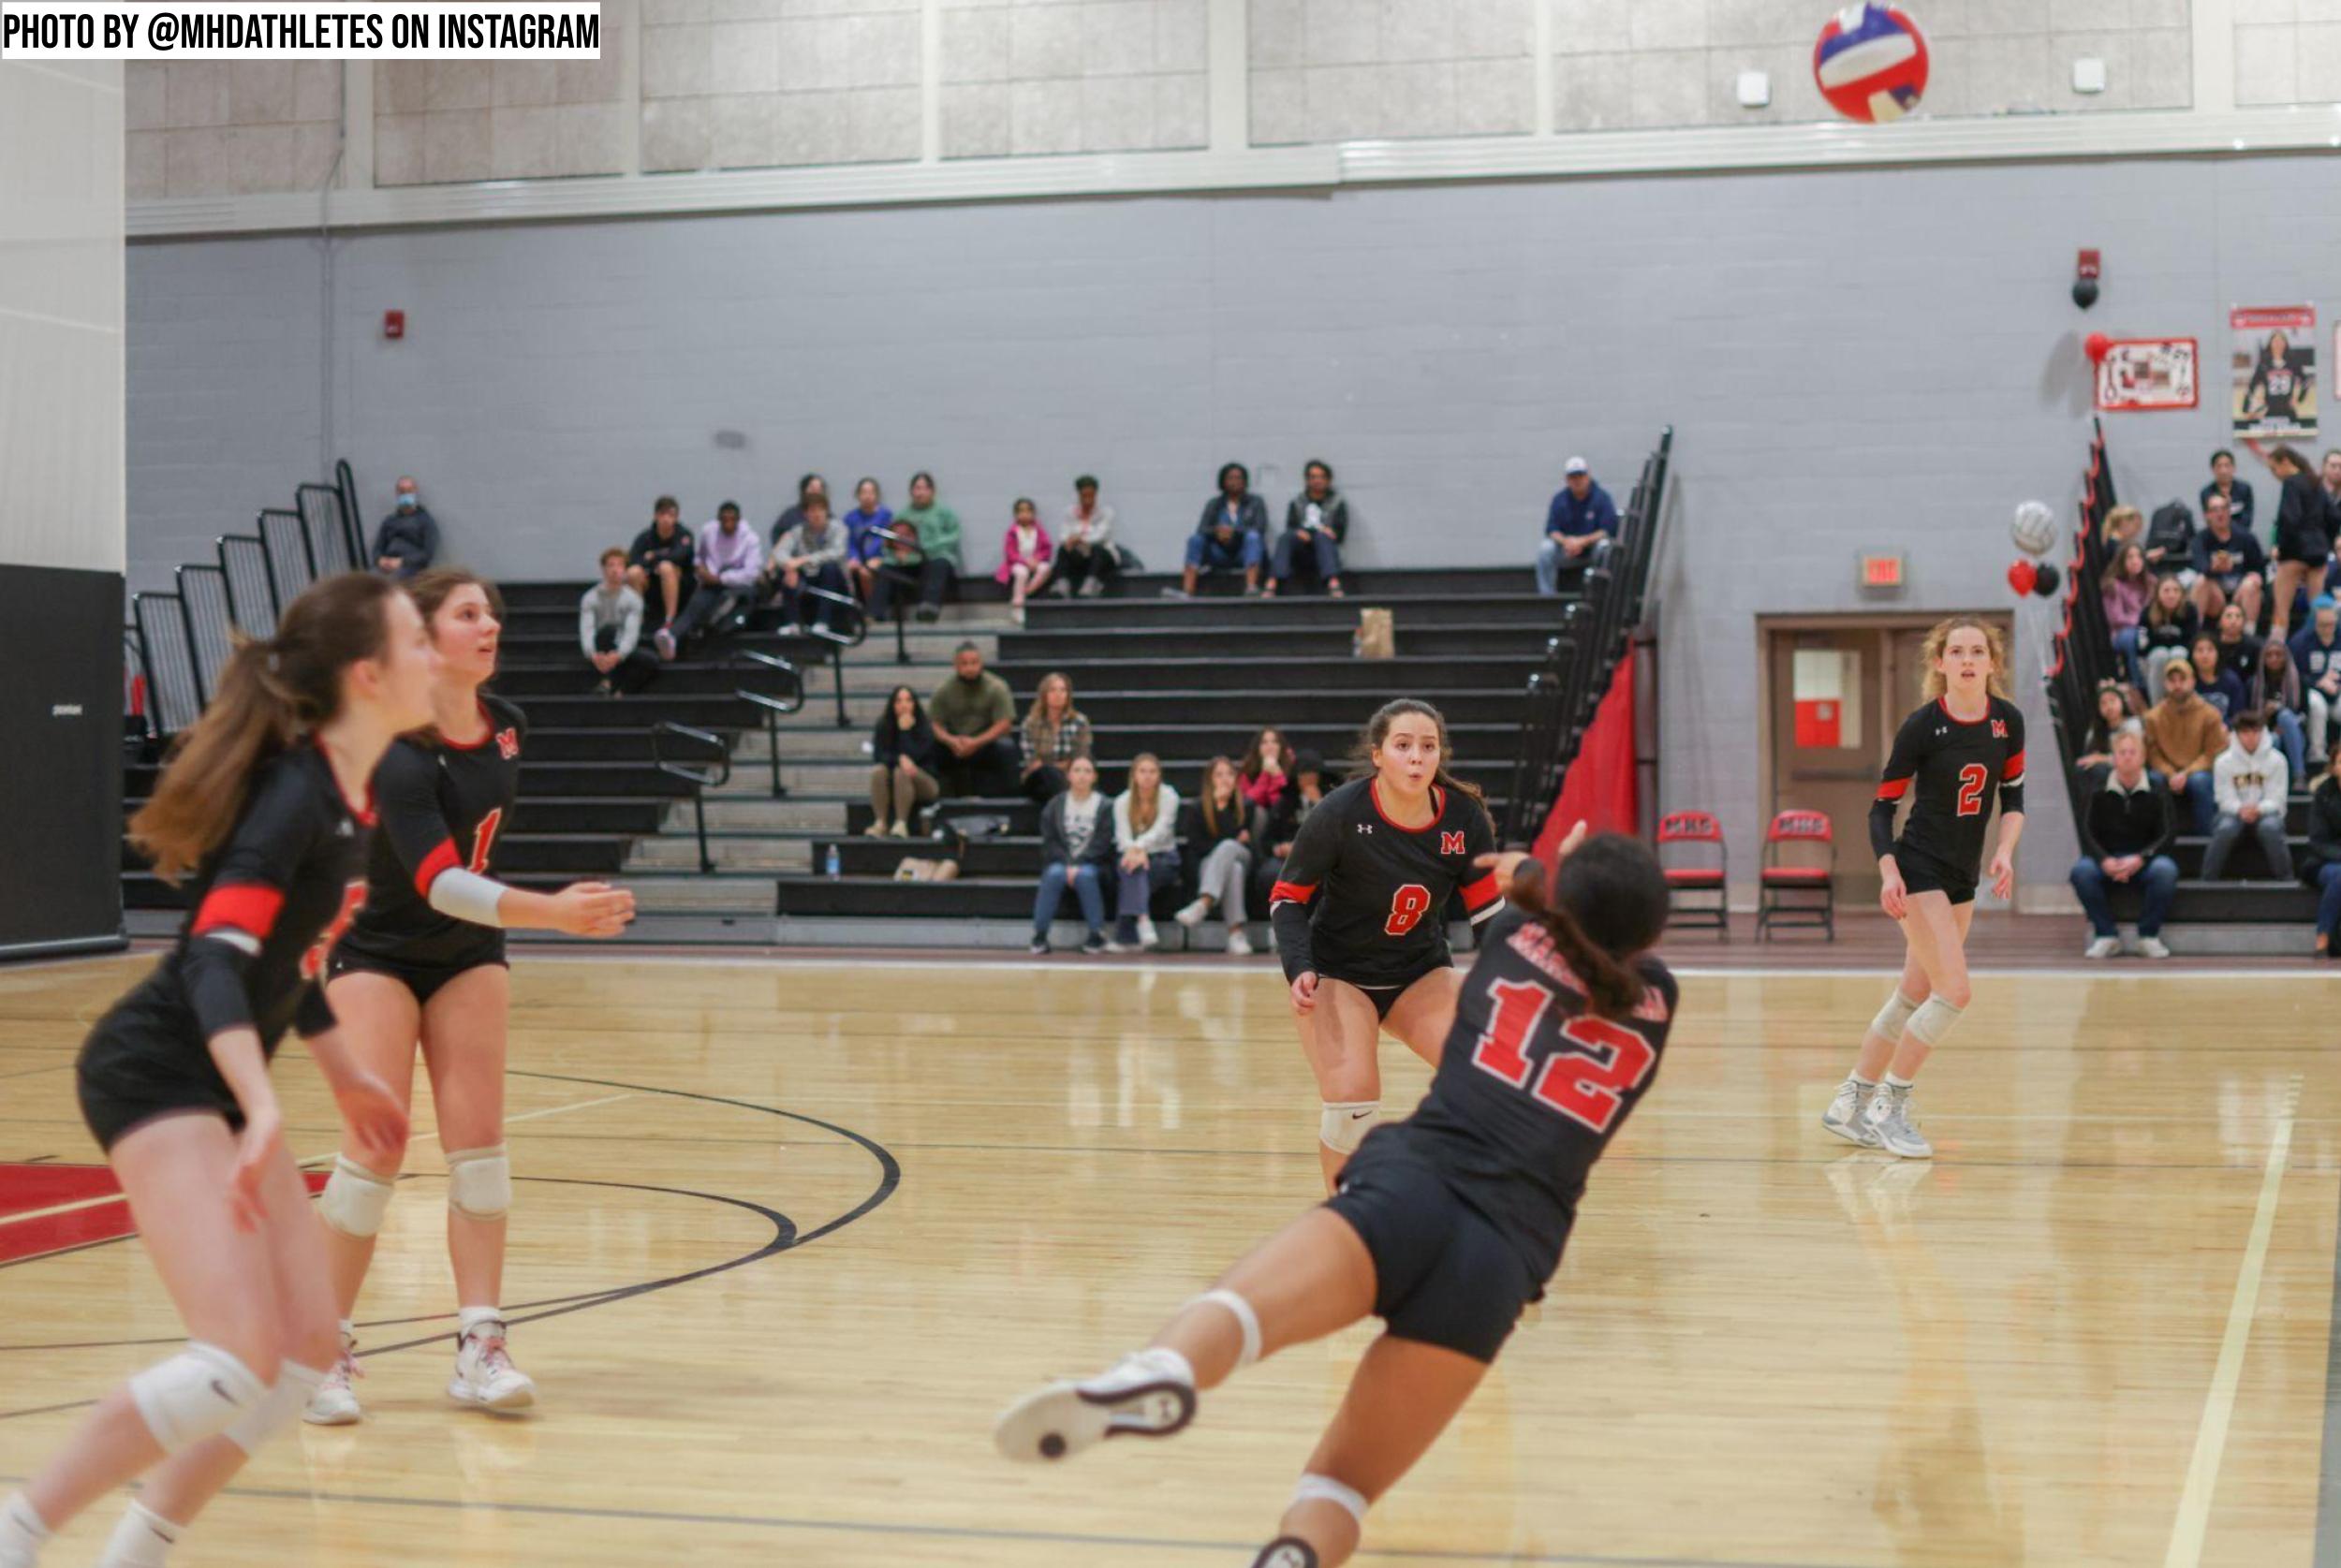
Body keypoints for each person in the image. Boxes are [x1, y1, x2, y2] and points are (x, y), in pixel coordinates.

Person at [994, 830, 1672, 1568]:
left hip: (1415, 1186)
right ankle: (1292, 1557)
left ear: (1559, 904)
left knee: (1236, 1309)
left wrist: (1534, 870)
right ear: (1650, 933)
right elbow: (1569, 917)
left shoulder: (1513, 939)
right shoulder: (1657, 1001)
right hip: (1504, 1260)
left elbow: (1521, 894)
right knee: (1342, 1485)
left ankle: (1161, 1372)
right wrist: (1550, 882)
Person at [0, 574, 428, 1568]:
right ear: (368, 673)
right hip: (154, 1074)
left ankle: (132, 1554)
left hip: (217, 1080)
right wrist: (260, 1095)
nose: (437, 652)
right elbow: (215, 956)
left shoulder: (346, 791)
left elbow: (287, 965)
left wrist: (346, 1072)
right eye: (418, 635)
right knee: (234, 1358)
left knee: (306, 1350)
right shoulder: (296, 797)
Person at [307, 569, 636, 1428]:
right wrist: (556, 912)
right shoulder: (397, 745)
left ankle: (480, 1343)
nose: (489, 624)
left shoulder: (509, 728)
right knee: (374, 1153)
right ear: (422, 639)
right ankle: (322, 1347)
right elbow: (437, 880)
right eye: (467, 613)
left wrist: (527, 918)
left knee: (481, 1149)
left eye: (490, 612)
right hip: (377, 948)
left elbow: (465, 894)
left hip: (466, 953)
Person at [1269, 700, 1506, 1190]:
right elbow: (1287, 899)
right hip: (1340, 975)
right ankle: (1348, 1223)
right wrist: (1300, 967)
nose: (1417, 758)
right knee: (1352, 1104)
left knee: (1493, 1072)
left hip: (1419, 974)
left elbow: (1488, 914)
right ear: (1378, 755)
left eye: (1428, 746)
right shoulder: (1340, 812)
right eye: (1403, 746)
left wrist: (1518, 981)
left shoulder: (1464, 819)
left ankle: (1466, 1200)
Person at [1819, 617, 2024, 1162]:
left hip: (1963, 876)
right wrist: (1889, 871)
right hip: (1918, 870)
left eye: (1977, 651)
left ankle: (1850, 1102)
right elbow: (1881, 808)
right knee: (1954, 992)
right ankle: (1892, 1104)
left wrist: (2003, 853)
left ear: (1992, 663)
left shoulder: (2008, 722)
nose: (1967, 660)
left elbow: (2014, 801)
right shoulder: (1921, 727)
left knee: (1913, 994)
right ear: (1940, 663)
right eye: (1955, 651)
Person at [2069, 730, 2177, 960]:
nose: (2127, 757)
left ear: (2142, 757)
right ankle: (2106, 935)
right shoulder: (2097, 788)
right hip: (2108, 858)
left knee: (2166, 871)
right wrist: (2104, 859)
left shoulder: (2157, 787)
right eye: (2122, 752)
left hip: (2143, 859)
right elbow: (2087, 830)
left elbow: (2168, 833)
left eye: (2132, 752)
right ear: (2114, 758)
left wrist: (2141, 858)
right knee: (2081, 872)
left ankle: (2148, 936)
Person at [1031, 755, 1114, 956]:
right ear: (1068, 775)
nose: (1081, 776)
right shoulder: (1055, 805)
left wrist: (1078, 863)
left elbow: (1103, 843)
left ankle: (1097, 934)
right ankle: (1039, 935)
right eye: (1077, 770)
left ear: (1094, 777)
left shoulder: (1105, 806)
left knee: (1085, 875)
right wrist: (1069, 863)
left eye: (1087, 771)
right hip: (1062, 862)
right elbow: (1050, 841)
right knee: (1053, 875)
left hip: (1094, 863)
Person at [1174, 757, 1257, 956]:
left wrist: (1222, 810)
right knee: (1232, 868)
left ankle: (1204, 903)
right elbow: (1197, 845)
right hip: (1211, 863)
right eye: (1219, 774)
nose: (1225, 779)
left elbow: (1243, 843)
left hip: (1244, 857)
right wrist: (1217, 807)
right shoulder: (1197, 808)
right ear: (1210, 779)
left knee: (1230, 847)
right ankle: (1236, 934)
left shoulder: (1246, 805)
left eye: (1229, 774)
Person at [659, 501, 762, 658]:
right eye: (724, 519)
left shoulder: (750, 539)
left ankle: (704, 633)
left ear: (738, 520)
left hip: (739, 586)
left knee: (725, 601)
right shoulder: (708, 531)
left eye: (731, 519)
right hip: (712, 581)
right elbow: (699, 557)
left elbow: (751, 573)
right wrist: (700, 569)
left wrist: (720, 578)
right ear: (718, 519)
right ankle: (671, 636)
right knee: (696, 603)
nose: (728, 523)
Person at [2203, 710, 2292, 881]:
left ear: (2263, 732)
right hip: (2232, 814)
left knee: (2271, 828)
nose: (2251, 737)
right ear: (2236, 734)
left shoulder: (2278, 760)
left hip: (2267, 815)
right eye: (2245, 732)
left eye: (2255, 732)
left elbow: (2277, 798)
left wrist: (2258, 809)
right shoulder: (2223, 761)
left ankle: (2286, 880)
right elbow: (2223, 798)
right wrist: (2241, 809)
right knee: (2225, 828)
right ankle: (2207, 880)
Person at [2143, 658, 2227, 836]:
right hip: (2167, 773)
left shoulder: (2210, 714)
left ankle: (2205, 840)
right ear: (2165, 684)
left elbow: (2213, 753)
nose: (2177, 685)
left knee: (2200, 781)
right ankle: (2158, 838)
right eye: (2172, 681)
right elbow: (2152, 753)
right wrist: (2171, 774)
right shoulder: (2153, 717)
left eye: (2182, 680)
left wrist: (2186, 773)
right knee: (2152, 779)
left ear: (2193, 681)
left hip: (2199, 771)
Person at [1111, 753, 1182, 951]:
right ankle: (1143, 919)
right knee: (1131, 868)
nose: (1147, 776)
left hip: (1164, 857)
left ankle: (1126, 936)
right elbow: (1122, 836)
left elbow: (1162, 830)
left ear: (1159, 775)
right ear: (1134, 775)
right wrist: (1134, 851)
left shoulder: (1169, 796)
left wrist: (1139, 847)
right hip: (1133, 856)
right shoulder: (1122, 802)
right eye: (1142, 771)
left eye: (1152, 771)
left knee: (1130, 870)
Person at [929, 641, 1019, 798]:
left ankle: (1009, 800)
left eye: (974, 662)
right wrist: (951, 740)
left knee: (1007, 748)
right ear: (956, 665)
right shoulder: (943, 689)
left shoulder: (997, 687)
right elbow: (934, 724)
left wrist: (976, 742)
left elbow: (1005, 724)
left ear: (981, 663)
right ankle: (936, 798)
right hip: (955, 745)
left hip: (986, 743)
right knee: (930, 747)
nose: (970, 668)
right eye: (964, 663)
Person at [872, 471, 962, 623]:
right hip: (909, 562)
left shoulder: (944, 512)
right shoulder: (902, 515)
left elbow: (954, 536)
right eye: (916, 488)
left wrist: (929, 548)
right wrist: (896, 555)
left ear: (932, 491)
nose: (920, 493)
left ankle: (928, 609)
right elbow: (890, 541)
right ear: (911, 491)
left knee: (940, 564)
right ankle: (876, 612)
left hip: (934, 560)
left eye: (924, 488)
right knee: (886, 568)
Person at [1170, 462, 1270, 599]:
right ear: (1223, 481)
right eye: (1230, 478)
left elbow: (1260, 528)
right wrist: (1217, 532)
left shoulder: (1255, 502)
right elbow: (1202, 529)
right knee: (1195, 539)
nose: (1235, 482)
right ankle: (1187, 591)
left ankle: (1251, 587)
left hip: (1244, 553)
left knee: (1253, 536)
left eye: (1238, 478)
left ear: (1245, 481)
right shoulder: (1214, 504)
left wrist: (1233, 532)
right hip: (1219, 553)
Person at [2266, 443, 2334, 638]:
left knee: (2281, 610)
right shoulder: (2316, 482)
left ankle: (2275, 652)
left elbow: (2290, 518)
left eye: (2274, 469)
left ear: (2286, 462)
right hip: (2318, 553)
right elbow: (2334, 516)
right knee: (2316, 610)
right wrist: (2324, 542)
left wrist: (2281, 546)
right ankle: (2317, 645)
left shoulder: (2291, 483)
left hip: (2294, 553)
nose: (2275, 474)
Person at [1253, 749, 1327, 916]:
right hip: (1288, 860)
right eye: (1303, 775)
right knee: (1269, 873)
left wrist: (1318, 803)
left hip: (1323, 859)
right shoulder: (1286, 802)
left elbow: (1339, 832)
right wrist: (1278, 848)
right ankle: (1278, 921)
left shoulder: (1331, 800)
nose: (1308, 780)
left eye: (1312, 775)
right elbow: (1267, 840)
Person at [765, 491, 850, 636]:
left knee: (829, 568)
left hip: (836, 582)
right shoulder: (798, 531)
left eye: (820, 509)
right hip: (808, 578)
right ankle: (793, 623)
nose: (816, 514)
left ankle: (823, 622)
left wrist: (804, 559)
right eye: (812, 510)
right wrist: (789, 565)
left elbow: (837, 553)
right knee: (787, 572)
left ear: (826, 511)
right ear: (805, 513)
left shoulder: (839, 528)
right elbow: (779, 553)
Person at [1535, 457, 1618, 597]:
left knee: (1604, 547)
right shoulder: (1559, 499)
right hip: (1567, 550)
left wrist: (1582, 541)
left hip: (1591, 549)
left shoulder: (1602, 498)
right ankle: (1547, 596)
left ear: (1588, 475)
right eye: (1573, 476)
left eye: (1581, 475)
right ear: (1567, 479)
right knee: (1545, 549)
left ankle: (1600, 595)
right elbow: (1551, 529)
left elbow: (1607, 530)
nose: (1577, 480)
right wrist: (1567, 542)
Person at [579, 547, 656, 696]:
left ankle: (620, 692)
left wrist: (619, 655)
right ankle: (607, 682)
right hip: (601, 646)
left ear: (625, 570)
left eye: (619, 565)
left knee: (650, 660)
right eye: (611, 565)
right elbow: (587, 629)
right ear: (603, 569)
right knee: (608, 630)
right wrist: (592, 654)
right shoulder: (590, 597)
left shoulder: (633, 598)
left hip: (621, 647)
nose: (615, 570)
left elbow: (631, 632)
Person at [1266, 460, 1348, 598]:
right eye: (1313, 477)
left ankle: (1333, 583)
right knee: (1286, 537)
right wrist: (1301, 532)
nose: (1317, 481)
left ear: (1328, 480)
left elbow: (1339, 535)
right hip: (1301, 553)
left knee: (1323, 537)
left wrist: (1318, 532)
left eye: (1321, 477)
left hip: (1325, 554)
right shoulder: (1297, 501)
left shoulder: (1337, 502)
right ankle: (1272, 582)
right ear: (1307, 480)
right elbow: (1291, 528)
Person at [868, 684, 941, 837]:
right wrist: (899, 758)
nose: (904, 705)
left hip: (925, 782)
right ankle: (880, 822)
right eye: (899, 701)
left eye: (908, 700)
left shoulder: (925, 727)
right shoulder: (884, 725)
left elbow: (916, 756)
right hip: (895, 782)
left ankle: (901, 823)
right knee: (879, 771)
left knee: (903, 771)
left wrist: (905, 731)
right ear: (892, 705)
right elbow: (878, 755)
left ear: (915, 704)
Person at [626, 496, 695, 646]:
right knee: (633, 572)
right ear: (656, 516)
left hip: (682, 587)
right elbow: (633, 560)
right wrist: (649, 565)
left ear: (676, 517)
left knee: (666, 567)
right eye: (663, 514)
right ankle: (638, 617)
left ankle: (669, 620)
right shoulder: (645, 537)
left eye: (671, 515)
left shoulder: (684, 535)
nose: (666, 519)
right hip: (652, 585)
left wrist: (654, 556)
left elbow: (680, 555)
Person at [2189, 491, 2265, 626]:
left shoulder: (2246, 537)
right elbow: (2199, 567)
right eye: (2214, 510)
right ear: (2207, 515)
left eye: (2224, 508)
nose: (2220, 514)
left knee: (2252, 583)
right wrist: (2214, 568)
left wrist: (2255, 577)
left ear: (2229, 512)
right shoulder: (2200, 539)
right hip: (2216, 596)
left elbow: (2259, 569)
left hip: (2241, 593)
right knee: (2201, 582)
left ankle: (2249, 634)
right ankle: (2195, 631)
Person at [1019, 671, 1090, 802]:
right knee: (1048, 774)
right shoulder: (1030, 723)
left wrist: (1050, 764)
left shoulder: (1079, 722)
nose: (1058, 694)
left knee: (1051, 789)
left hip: (1068, 779)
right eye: (1052, 690)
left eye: (1063, 690)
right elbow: (1033, 764)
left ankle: (1060, 813)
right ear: (1044, 695)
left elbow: (1080, 760)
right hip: (1037, 779)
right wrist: (1059, 765)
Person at [2301, 738, 2341, 958]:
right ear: (2333, 768)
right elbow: (2317, 841)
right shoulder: (2324, 795)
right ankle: (2322, 938)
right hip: (2325, 861)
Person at [2249, 637, 2309, 780]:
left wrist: (2288, 724)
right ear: (2263, 659)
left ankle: (2299, 775)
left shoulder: (2298, 681)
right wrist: (2265, 715)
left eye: (2278, 654)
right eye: (2269, 655)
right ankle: (2272, 781)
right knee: (2274, 738)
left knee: (2285, 716)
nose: (2274, 658)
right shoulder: (2253, 684)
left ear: (2286, 657)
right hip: (2264, 732)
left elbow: (2305, 715)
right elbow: (2248, 718)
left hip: (2295, 733)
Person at [1054, 475, 1122, 598]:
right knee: (1062, 550)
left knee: (1097, 549)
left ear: (1096, 494)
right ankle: (1062, 585)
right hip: (1081, 555)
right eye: (1084, 496)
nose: (1087, 500)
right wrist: (1068, 540)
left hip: (1103, 557)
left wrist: (1080, 538)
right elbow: (1064, 535)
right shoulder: (1070, 512)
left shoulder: (1106, 512)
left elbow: (1101, 535)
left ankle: (1091, 585)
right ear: (1078, 495)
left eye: (1090, 496)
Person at [2291, 594, 2341, 759]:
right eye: (2323, 625)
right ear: (2314, 622)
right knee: (2317, 706)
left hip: (2337, 690)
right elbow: (2294, 675)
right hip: (2311, 690)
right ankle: (2317, 753)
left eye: (2331, 624)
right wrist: (2318, 681)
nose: (2328, 629)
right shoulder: (2300, 642)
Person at [2136, 574, 2200, 698]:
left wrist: (2166, 642)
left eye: (2176, 590)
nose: (2171, 595)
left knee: (2178, 653)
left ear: (2182, 594)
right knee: (2160, 655)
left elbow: (2193, 641)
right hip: (2153, 660)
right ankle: (2157, 706)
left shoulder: (2189, 610)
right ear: (2157, 594)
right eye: (2166, 591)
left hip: (2182, 654)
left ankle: (2183, 700)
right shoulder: (2147, 613)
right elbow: (2142, 646)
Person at [2100, 543, 2152, 692]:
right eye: (2130, 557)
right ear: (2122, 561)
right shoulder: (2114, 585)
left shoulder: (2150, 582)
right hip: (2123, 632)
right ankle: (2139, 684)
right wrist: (2142, 620)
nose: (2135, 561)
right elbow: (2116, 618)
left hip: (2145, 628)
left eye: (2139, 557)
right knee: (2133, 637)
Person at [996, 497, 1054, 625]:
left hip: (1035, 561)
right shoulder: (1012, 532)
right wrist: (1025, 561)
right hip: (1017, 563)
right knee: (1022, 573)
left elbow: (1047, 548)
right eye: (1021, 511)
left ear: (1033, 513)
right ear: (1016, 514)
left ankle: (1026, 591)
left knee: (1045, 568)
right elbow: (1010, 553)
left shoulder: (1039, 530)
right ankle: (1018, 606)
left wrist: (1037, 559)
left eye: (1028, 511)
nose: (1025, 514)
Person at [371, 476, 440, 580]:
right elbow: (377, 548)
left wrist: (401, 562)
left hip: (412, 568)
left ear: (415, 492)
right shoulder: (389, 521)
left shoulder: (425, 521)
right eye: (402, 491)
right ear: (397, 494)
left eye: (409, 491)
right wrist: (380, 560)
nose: (406, 494)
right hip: (387, 567)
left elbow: (427, 554)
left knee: (396, 580)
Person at [2071, 679, 2142, 780]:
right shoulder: (2095, 730)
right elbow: (2089, 756)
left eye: (2112, 701)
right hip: (2106, 770)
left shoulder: (2133, 724)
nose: (2109, 706)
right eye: (2103, 703)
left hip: (2130, 768)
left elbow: (2134, 756)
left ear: (2122, 702)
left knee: (2101, 771)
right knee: (2082, 768)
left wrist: (2102, 759)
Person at [2243, 333, 2313, 432]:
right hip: (2269, 411)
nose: (2278, 344)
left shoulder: (2292, 364)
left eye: (2281, 341)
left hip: (2288, 410)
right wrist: (2246, 409)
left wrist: (2299, 398)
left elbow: (2306, 381)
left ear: (2285, 343)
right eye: (2275, 341)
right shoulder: (2263, 365)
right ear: (2270, 343)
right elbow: (2251, 387)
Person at [841, 477, 894, 605]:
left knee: (867, 571)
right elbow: (849, 542)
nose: (867, 496)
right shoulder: (850, 518)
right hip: (857, 557)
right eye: (863, 492)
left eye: (871, 492)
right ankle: (849, 610)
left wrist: (876, 558)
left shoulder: (886, 515)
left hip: (879, 557)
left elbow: (887, 541)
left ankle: (871, 609)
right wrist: (854, 558)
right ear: (858, 495)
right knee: (844, 569)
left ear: (876, 495)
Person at [1240, 726, 1296, 826]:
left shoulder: (1293, 767)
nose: (1270, 746)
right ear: (1258, 748)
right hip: (1256, 824)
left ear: (1281, 747)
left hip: (1285, 824)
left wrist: (1277, 775)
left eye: (1275, 742)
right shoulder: (1247, 770)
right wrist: (1265, 774)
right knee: (1259, 812)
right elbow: (1248, 802)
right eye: (1264, 742)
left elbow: (1286, 805)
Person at [2201, 448, 2258, 540]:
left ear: (2233, 468)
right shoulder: (2206, 492)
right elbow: (2210, 521)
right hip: (2216, 539)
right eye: (2219, 466)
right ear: (2213, 469)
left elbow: (2247, 519)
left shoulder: (2245, 489)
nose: (2223, 471)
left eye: (2227, 465)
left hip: (2241, 537)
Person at [2188, 635, 2245, 721]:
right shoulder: (2187, 681)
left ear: (2218, 653)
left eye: (2210, 650)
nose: (2205, 655)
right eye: (2200, 650)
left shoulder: (2231, 681)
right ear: (2192, 655)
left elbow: (2238, 715)